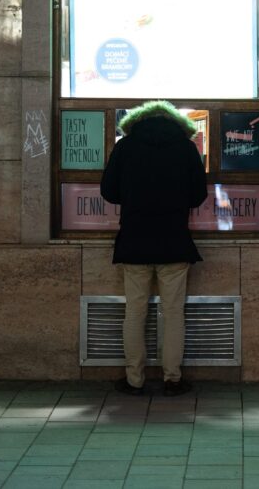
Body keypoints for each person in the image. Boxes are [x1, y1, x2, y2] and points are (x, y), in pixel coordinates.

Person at [100, 100, 207, 397]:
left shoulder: (126, 146)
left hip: (134, 241)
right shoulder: (186, 148)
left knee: (134, 312)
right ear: (175, 123)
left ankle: (134, 380)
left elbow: (108, 191)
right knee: (173, 313)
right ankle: (172, 379)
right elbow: (199, 195)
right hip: (174, 240)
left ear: (137, 121)